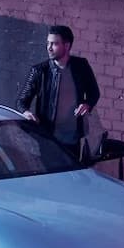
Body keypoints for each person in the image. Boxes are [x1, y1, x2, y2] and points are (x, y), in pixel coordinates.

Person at [15, 25, 100, 158]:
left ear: (67, 46)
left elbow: (94, 92)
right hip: (48, 137)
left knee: (72, 176)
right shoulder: (39, 71)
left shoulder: (81, 66)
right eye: (48, 43)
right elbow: (21, 101)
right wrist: (26, 113)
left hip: (73, 137)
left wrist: (87, 104)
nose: (49, 48)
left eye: (54, 44)